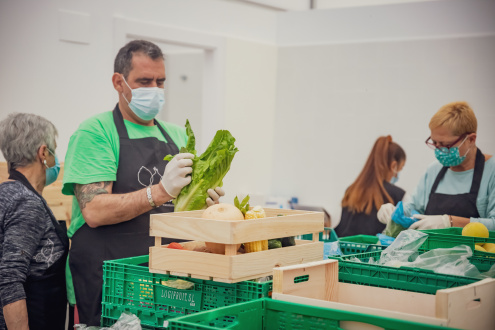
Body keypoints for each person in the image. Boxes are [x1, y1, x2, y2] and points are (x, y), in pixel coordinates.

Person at [63, 40, 224, 325]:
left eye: (160, 81)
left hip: (169, 279)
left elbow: (183, 213)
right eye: (144, 81)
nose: (155, 90)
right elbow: (95, 210)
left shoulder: (176, 135)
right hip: (111, 280)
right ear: (118, 82)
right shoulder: (96, 131)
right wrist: (161, 191)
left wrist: (206, 203)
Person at [378, 101, 495, 230]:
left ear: (471, 139)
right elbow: (414, 208)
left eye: (446, 145)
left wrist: (450, 222)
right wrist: (394, 212)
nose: (439, 150)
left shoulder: (491, 171)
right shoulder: (434, 170)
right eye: (435, 143)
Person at [0, 113, 69, 329]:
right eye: (53, 150)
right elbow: (10, 278)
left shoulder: (7, 193)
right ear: (43, 152)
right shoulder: (26, 202)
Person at [335, 136, 406, 237]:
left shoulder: (350, 190)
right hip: (375, 252)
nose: (398, 174)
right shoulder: (397, 195)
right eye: (400, 168)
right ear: (393, 166)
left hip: (344, 251)